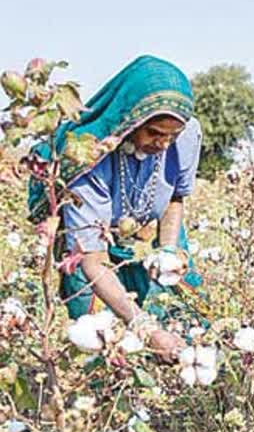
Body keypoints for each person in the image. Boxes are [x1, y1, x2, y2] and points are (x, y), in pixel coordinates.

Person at [28, 55, 206, 360]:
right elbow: (93, 262)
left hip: (148, 229)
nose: (163, 144)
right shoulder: (87, 158)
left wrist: (166, 251)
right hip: (92, 247)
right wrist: (145, 329)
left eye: (171, 135)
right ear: (131, 119)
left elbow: (175, 197)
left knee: (180, 304)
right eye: (154, 133)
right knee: (99, 334)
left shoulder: (185, 137)